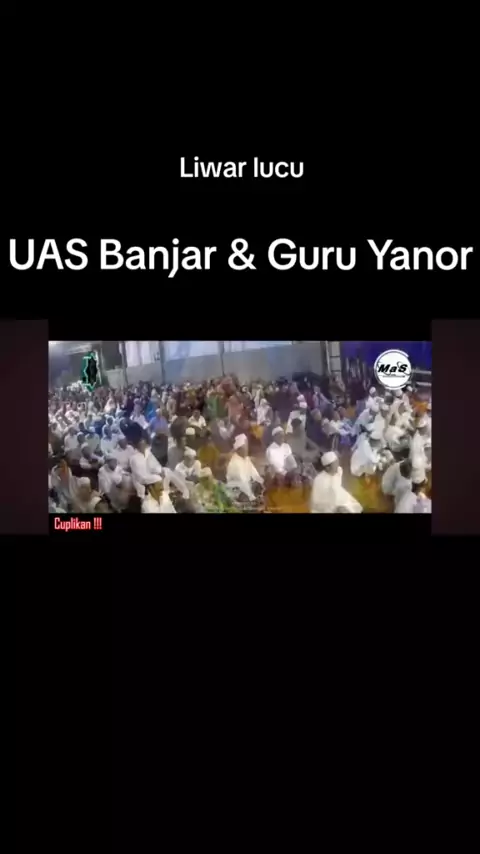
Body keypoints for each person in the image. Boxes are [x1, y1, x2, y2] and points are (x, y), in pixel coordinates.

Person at [226, 433, 264, 499]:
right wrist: (252, 493)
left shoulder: (246, 459)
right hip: (237, 490)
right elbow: (242, 481)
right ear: (239, 449)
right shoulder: (234, 462)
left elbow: (255, 474)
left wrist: (262, 482)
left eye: (247, 446)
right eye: (245, 447)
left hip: (247, 486)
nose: (247, 449)